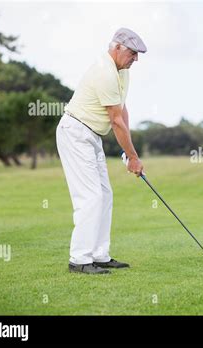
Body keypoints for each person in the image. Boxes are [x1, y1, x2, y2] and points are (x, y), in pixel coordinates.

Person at [56, 28, 146, 274]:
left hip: (93, 135)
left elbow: (123, 111)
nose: (136, 59)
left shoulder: (122, 71)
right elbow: (115, 120)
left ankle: (99, 255)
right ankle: (79, 260)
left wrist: (130, 152)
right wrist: (134, 158)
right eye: (132, 53)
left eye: (138, 54)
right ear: (116, 47)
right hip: (75, 132)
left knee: (105, 195)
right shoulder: (104, 72)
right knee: (91, 196)